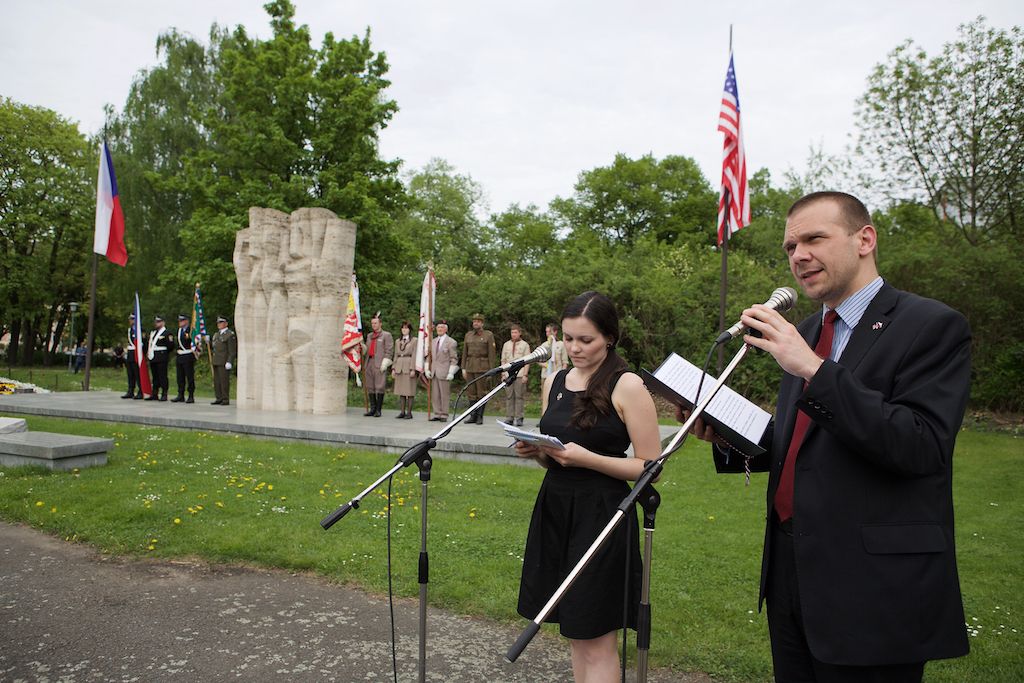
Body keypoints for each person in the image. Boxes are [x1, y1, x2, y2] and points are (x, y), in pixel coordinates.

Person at [686, 191, 971, 682]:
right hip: (791, 571)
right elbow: (805, 441)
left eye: (814, 239)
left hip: (873, 585)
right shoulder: (806, 331)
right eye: (790, 247)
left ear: (865, 240)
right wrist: (727, 435)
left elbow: (920, 444)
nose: (799, 255)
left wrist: (813, 370)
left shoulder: (931, 325)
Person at [513, 291, 661, 682]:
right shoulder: (555, 381)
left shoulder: (627, 385)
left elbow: (651, 467)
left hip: (602, 515)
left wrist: (587, 459)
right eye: (568, 338)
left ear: (609, 337)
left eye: (586, 339)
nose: (574, 348)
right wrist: (538, 451)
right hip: (556, 509)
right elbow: (558, 454)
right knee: (575, 634)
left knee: (595, 638)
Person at [462, 313, 496, 424]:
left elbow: (491, 354)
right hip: (470, 366)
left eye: (478, 321)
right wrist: (463, 368)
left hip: (482, 367)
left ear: (482, 323)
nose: (475, 323)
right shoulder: (468, 335)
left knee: (481, 393)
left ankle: (480, 416)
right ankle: (473, 415)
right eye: (474, 321)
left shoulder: (488, 335)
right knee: (471, 392)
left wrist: (491, 370)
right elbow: (465, 352)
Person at [426, 319, 458, 421]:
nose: (439, 329)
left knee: (444, 394)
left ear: (446, 329)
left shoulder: (451, 342)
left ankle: (444, 414)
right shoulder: (433, 341)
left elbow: (454, 358)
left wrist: (451, 372)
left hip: (445, 371)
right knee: (435, 394)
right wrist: (427, 369)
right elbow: (429, 357)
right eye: (438, 327)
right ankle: (437, 413)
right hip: (434, 371)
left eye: (442, 327)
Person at [500, 323, 531, 426]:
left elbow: (527, 361)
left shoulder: (525, 345)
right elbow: (503, 360)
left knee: (519, 396)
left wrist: (525, 375)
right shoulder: (506, 344)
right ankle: (509, 417)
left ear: (520, 333)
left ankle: (519, 417)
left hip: (520, 374)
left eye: (515, 332)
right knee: (509, 396)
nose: (513, 334)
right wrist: (503, 373)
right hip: (508, 374)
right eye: (512, 332)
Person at [362, 314, 393, 417]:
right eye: (372, 323)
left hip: (380, 363)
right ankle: (372, 409)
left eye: (375, 323)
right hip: (369, 362)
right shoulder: (369, 336)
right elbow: (366, 349)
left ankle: (378, 410)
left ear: (380, 324)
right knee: (370, 386)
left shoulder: (386, 335)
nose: (373, 325)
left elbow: (389, 350)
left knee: (379, 386)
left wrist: (385, 362)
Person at [391, 321, 417, 419]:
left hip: (408, 364)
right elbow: (395, 355)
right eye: (403, 328)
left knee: (409, 391)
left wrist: (413, 369)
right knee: (401, 391)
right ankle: (402, 411)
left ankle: (409, 412)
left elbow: (414, 354)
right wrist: (393, 368)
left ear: (410, 330)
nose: (404, 330)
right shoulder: (398, 341)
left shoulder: (414, 340)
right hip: (399, 366)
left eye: (406, 328)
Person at [210, 315, 237, 405]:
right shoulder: (216, 334)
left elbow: (232, 351)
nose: (219, 324)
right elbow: (215, 347)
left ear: (226, 323)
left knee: (224, 381)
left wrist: (229, 361)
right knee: (217, 381)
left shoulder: (230, 335)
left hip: (224, 361)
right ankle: (219, 397)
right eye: (218, 323)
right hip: (216, 360)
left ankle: (225, 399)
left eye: (221, 322)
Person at [171, 314, 198, 403]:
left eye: (182, 321)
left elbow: (194, 342)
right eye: (179, 321)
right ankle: (180, 394)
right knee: (180, 377)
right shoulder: (179, 330)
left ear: (186, 321)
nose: (180, 322)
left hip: (188, 355)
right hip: (180, 355)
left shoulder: (191, 330)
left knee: (189, 376)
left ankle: (191, 395)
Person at [146, 316, 172, 401]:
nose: (156, 323)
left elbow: (170, 346)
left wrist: (164, 353)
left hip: (161, 356)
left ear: (163, 323)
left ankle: (164, 393)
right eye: (156, 322)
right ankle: (155, 393)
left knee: (162, 376)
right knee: (155, 376)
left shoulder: (166, 333)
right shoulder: (154, 333)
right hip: (153, 356)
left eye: (159, 322)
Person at [122, 312, 144, 400]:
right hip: (130, 353)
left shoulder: (140, 330)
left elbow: (144, 343)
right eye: (130, 319)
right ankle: (130, 390)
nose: (130, 321)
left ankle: (141, 391)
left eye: (132, 319)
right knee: (130, 373)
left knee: (137, 373)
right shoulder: (129, 330)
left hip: (137, 353)